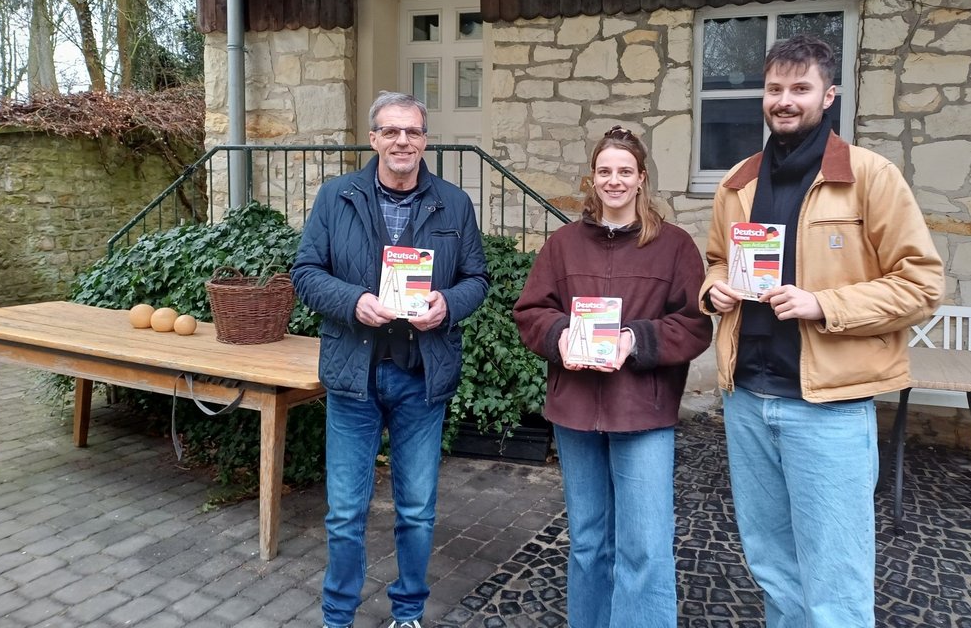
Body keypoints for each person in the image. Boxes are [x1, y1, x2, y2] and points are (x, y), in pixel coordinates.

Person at [699, 35, 944, 627]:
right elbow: (712, 262)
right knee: (773, 567)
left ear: (828, 96)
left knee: (834, 580)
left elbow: (922, 284)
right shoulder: (738, 182)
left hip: (828, 408)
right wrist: (715, 290)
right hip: (747, 401)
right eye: (775, 88)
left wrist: (823, 304)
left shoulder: (870, 176)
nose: (785, 100)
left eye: (800, 89)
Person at [292, 91, 489, 628]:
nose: (403, 141)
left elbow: (478, 279)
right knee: (345, 512)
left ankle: (408, 613)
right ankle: (338, 617)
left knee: (418, 510)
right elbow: (305, 272)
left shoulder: (454, 202)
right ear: (374, 138)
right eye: (392, 131)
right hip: (354, 376)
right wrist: (353, 302)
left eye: (414, 132)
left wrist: (448, 305)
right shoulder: (337, 197)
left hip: (421, 378)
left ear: (425, 140)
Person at [513, 126, 713, 628]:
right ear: (592, 179)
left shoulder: (674, 247)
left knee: (644, 545)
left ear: (642, 178)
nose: (614, 180)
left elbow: (694, 323)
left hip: (642, 411)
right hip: (576, 412)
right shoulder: (562, 245)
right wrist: (559, 335)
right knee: (586, 542)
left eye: (625, 171)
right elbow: (531, 310)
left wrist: (635, 340)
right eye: (605, 171)